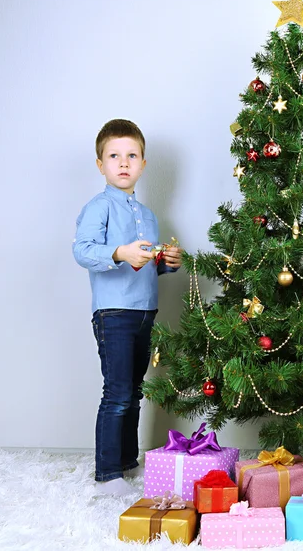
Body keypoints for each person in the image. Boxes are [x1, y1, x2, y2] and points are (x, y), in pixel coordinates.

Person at [73, 119, 183, 496]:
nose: (123, 163)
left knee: (134, 391)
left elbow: (147, 266)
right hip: (113, 313)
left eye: (131, 155)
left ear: (143, 164)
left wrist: (166, 262)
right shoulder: (98, 207)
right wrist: (119, 252)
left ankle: (126, 463)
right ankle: (107, 475)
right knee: (117, 392)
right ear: (101, 164)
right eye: (114, 156)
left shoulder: (148, 215)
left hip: (143, 311)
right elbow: (83, 251)